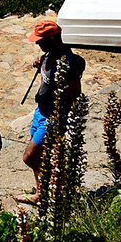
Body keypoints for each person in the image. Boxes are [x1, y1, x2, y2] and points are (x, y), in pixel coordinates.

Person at [21, 19, 83, 194]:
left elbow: (75, 96)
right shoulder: (49, 55)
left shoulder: (68, 64)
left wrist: (69, 121)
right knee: (40, 156)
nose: (38, 44)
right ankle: (43, 193)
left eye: (41, 41)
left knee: (30, 157)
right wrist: (40, 62)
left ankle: (55, 189)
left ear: (53, 39)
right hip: (40, 111)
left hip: (53, 117)